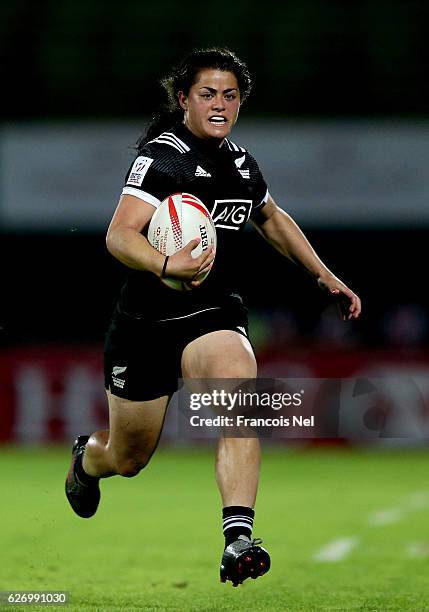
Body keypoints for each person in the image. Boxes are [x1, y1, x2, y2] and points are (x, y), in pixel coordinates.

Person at [65, 47, 361, 587]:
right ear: (183, 100)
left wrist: (325, 275)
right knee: (129, 458)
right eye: (207, 94)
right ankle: (89, 459)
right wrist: (165, 262)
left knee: (238, 396)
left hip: (211, 311)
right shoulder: (164, 157)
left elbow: (271, 218)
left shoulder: (241, 162)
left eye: (230, 95)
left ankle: (238, 537)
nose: (219, 104)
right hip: (144, 324)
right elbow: (119, 234)